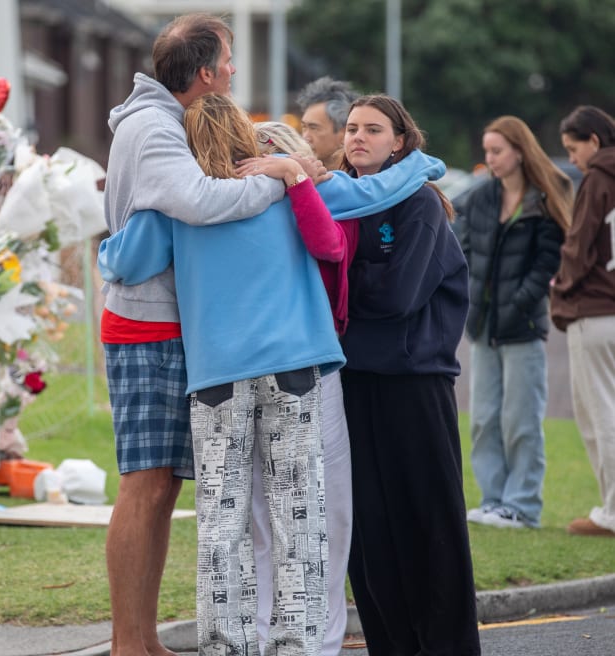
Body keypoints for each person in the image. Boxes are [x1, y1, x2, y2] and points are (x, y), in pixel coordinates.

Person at [99, 92, 446, 656]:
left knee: (224, 522)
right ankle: (298, 646)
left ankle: (226, 646)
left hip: (216, 374)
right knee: (298, 516)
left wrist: (109, 252)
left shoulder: (179, 203)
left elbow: (130, 261)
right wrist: (421, 164)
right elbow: (352, 214)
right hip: (294, 366)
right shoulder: (286, 186)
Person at [101, 14, 322, 656]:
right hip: (147, 325)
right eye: (227, 61)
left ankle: (143, 640)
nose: (233, 71)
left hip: (166, 323)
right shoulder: (154, 127)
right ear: (204, 72)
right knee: (146, 482)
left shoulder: (163, 121)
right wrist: (280, 177)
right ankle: (128, 644)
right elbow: (201, 201)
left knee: (162, 485)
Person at [338, 95, 481, 656]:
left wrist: (342, 283)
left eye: (373, 129)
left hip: (414, 383)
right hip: (353, 381)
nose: (358, 136)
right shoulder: (339, 200)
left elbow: (399, 294)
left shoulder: (419, 203)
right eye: (352, 128)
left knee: (429, 525)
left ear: (399, 141)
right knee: (370, 530)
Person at [249, 121, 357, 656]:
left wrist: (296, 178)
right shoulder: (240, 205)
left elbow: (329, 246)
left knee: (325, 506)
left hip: (314, 362)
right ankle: (265, 633)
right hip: (256, 368)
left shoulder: (326, 196)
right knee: (259, 513)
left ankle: (322, 639)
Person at [455, 116, 571, 530]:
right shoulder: (479, 198)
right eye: (487, 150)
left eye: (497, 151)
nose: (490, 158)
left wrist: (521, 302)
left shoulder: (543, 202)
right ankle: (493, 502)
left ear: (519, 152)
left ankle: (522, 507)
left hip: (523, 327)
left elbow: (547, 264)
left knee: (521, 420)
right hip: (483, 326)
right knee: (484, 418)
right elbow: (463, 249)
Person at [552, 105, 615, 538]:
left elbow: (579, 246)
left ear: (594, 141)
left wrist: (560, 291)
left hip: (595, 311)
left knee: (600, 417)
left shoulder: (598, 177)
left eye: (573, 150)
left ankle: (611, 512)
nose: (573, 160)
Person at [297, 77, 360, 170]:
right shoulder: (294, 172)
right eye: (304, 127)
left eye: (314, 128)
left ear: (344, 134)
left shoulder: (363, 175)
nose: (305, 138)